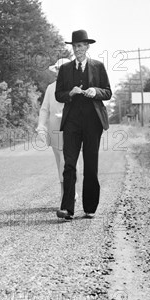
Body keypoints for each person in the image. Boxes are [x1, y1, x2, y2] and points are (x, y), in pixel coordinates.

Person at [55, 30, 111, 221]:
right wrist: (70, 93)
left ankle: (90, 207)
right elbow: (58, 95)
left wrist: (95, 91)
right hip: (71, 121)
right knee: (69, 163)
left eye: (80, 46)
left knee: (90, 164)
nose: (77, 49)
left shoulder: (99, 66)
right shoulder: (65, 69)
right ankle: (67, 208)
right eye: (74, 46)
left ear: (87, 47)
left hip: (92, 122)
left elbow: (108, 92)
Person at [36, 58, 73, 205]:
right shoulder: (51, 88)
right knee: (60, 161)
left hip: (71, 128)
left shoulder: (74, 87)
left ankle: (68, 194)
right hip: (54, 129)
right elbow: (45, 108)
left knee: (69, 160)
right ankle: (66, 192)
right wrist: (41, 126)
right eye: (58, 70)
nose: (60, 72)